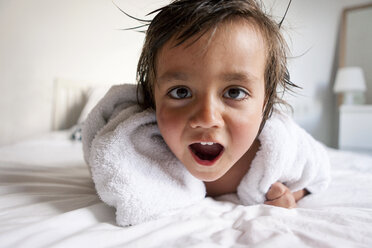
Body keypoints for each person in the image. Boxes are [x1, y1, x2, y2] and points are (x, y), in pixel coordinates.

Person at [135, 0, 308, 208]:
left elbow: (316, 169)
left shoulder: (277, 150)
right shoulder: (139, 147)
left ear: (264, 102)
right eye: (181, 92)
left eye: (234, 92)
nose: (207, 119)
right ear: (153, 98)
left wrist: (296, 192)